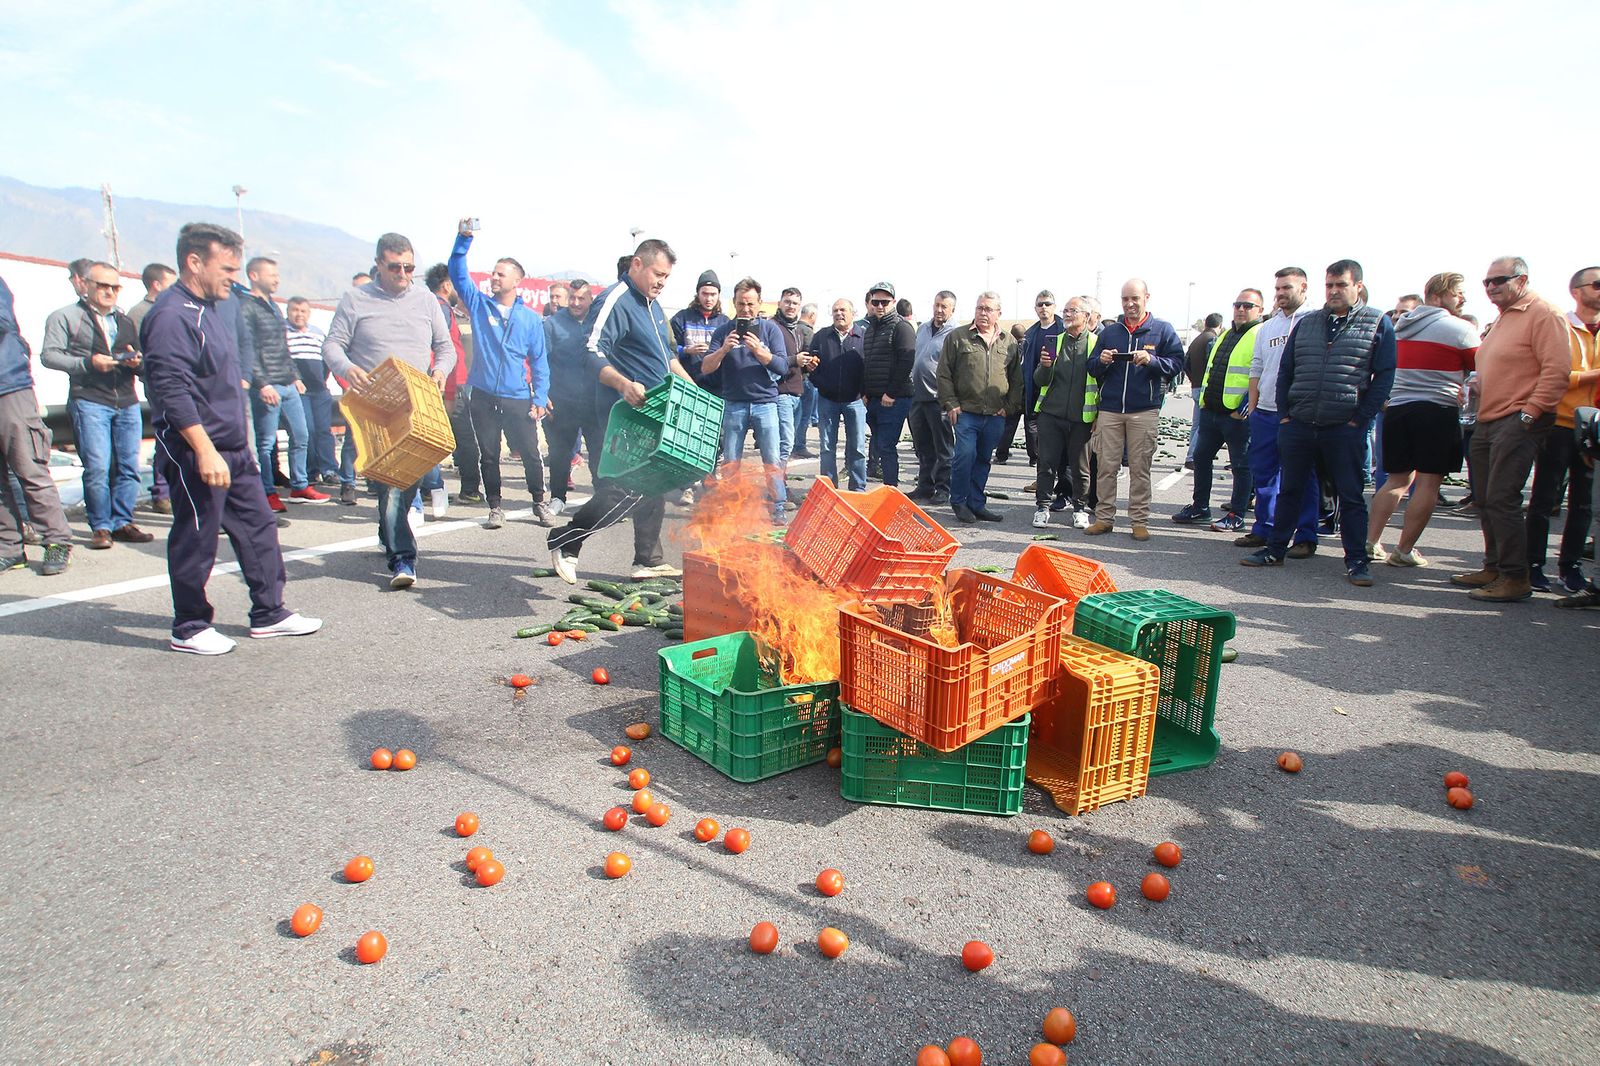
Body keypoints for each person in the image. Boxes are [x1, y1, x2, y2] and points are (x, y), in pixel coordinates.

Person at [140, 223, 321, 654]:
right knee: (197, 535)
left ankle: (269, 612)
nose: (233, 277)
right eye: (226, 268)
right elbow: (171, 390)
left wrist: (239, 448)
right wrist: (204, 450)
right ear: (195, 262)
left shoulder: (216, 309)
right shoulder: (171, 315)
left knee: (259, 527)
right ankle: (189, 625)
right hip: (197, 450)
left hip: (233, 450)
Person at [1242, 259, 1396, 586]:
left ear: (1358, 286)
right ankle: (1275, 549)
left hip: (1344, 426)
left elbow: (1384, 377)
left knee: (1351, 495)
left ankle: (1356, 561)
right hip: (1298, 423)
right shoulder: (1309, 323)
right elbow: (1286, 371)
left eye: (1341, 285)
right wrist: (1285, 413)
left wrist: (1359, 419)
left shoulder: (1377, 322)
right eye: (1330, 285)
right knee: (1290, 490)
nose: (1335, 291)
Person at [547, 239, 689, 584]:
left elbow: (668, 358)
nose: (662, 282)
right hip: (620, 415)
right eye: (658, 274)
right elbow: (591, 352)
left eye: (667, 277)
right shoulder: (615, 299)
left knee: (656, 480)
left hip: (652, 413)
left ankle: (648, 559)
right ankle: (566, 540)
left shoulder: (653, 306)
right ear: (637, 265)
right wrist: (624, 384)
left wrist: (693, 388)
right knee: (625, 487)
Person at [321, 232, 456, 589]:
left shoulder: (427, 301)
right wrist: (347, 368)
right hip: (373, 408)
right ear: (379, 263)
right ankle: (403, 559)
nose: (403, 273)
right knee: (389, 482)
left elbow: (445, 347)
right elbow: (332, 345)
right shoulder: (355, 299)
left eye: (409, 267)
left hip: (415, 405)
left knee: (404, 482)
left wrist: (440, 370)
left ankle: (390, 532)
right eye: (395, 266)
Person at [1448, 259, 1578, 601]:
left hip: (1519, 418)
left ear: (1521, 279)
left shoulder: (1543, 313)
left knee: (1502, 497)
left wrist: (1530, 413)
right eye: (1486, 281)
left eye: (1498, 280)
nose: (1490, 287)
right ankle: (1494, 567)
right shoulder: (1504, 317)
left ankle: (1515, 577)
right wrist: (1476, 385)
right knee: (1485, 498)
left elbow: (1557, 370)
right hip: (1489, 417)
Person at [1365, 273, 1478, 567]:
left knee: (1396, 479)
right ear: (1439, 296)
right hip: (1436, 410)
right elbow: (1482, 368)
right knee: (1428, 482)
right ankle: (1403, 550)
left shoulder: (1398, 327)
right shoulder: (1460, 329)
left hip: (1398, 409)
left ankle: (1371, 541)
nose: (1462, 298)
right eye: (1458, 293)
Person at [447, 221, 554, 531]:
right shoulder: (480, 306)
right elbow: (458, 273)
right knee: (489, 454)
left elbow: (540, 361)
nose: (493, 278)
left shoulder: (530, 320)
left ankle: (539, 502)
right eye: (493, 273)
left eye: (500, 273)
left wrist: (540, 397)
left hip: (518, 397)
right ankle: (495, 507)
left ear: (516, 280)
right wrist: (463, 240)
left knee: (531, 455)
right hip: (482, 395)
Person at [40, 261, 153, 550]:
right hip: (89, 400)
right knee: (98, 468)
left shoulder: (125, 320)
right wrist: (87, 363)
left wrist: (137, 362)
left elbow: (141, 360)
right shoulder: (65, 317)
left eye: (115, 286)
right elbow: (49, 356)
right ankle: (101, 526)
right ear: (86, 285)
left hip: (126, 400)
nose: (109, 291)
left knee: (129, 466)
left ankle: (122, 521)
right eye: (102, 285)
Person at [1084, 279, 1185, 540]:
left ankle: (1139, 520)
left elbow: (1176, 364)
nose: (1129, 304)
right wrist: (1102, 360)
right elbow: (1092, 367)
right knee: (1106, 466)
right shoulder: (1110, 332)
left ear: (1146, 298)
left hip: (1144, 410)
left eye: (1134, 299)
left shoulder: (1162, 330)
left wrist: (1152, 361)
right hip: (1110, 410)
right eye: (1125, 299)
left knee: (1140, 468)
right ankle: (1104, 518)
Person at [1524, 266, 1600, 594]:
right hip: (1558, 423)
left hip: (1594, 431)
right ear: (1576, 291)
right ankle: (1533, 566)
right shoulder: (1562, 326)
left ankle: (1570, 567)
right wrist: (1592, 375)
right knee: (1544, 497)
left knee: (1584, 503)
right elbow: (1553, 374)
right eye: (1597, 284)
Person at [237, 257, 330, 511]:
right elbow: (248, 350)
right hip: (266, 386)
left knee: (301, 435)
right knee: (265, 442)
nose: (277, 279)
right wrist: (262, 384)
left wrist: (295, 376)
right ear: (254, 275)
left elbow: (282, 348)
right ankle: (267, 491)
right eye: (271, 274)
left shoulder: (273, 307)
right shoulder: (246, 307)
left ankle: (299, 485)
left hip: (288, 383)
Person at [1239, 268, 1320, 556]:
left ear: (1303, 287)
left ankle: (1305, 535)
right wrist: (1254, 404)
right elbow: (1256, 368)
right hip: (1265, 412)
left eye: (1286, 287)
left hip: (1300, 414)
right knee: (1264, 475)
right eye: (1277, 289)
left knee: (1302, 476)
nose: (1280, 294)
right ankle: (1264, 528)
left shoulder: (1315, 321)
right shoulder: (1268, 327)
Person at [1172, 290, 1265, 532]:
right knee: (1201, 458)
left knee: (1241, 466)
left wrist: (1244, 409)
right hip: (1212, 412)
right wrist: (1203, 402)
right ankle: (1200, 507)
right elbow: (1213, 370)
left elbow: (1263, 375)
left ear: (1259, 310)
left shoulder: (1260, 334)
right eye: (1238, 305)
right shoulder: (1225, 335)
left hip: (1236, 416)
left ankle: (1237, 513)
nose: (1241, 309)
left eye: (1248, 305)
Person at [0, 274, 73, 576]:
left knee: (29, 468)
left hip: (8, 387)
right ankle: (9, 548)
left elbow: (3, 322)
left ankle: (56, 540)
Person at [702, 278, 789, 523]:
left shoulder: (770, 330)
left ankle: (778, 506)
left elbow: (783, 366)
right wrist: (723, 350)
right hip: (734, 403)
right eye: (741, 304)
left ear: (759, 303)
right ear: (734, 304)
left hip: (765, 403)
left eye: (751, 304)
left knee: (771, 459)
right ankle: (731, 506)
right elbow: (706, 368)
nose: (746, 309)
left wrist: (760, 352)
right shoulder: (723, 331)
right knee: (731, 461)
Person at [938, 291, 1020, 524]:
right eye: (980, 308)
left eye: (988, 309)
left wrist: (1009, 407)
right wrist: (951, 404)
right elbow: (944, 374)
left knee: (984, 458)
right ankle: (960, 501)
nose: (983, 313)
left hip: (995, 414)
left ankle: (977, 503)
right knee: (965, 455)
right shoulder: (958, 337)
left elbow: (1016, 379)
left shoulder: (1009, 341)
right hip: (966, 413)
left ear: (998, 314)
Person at [1031, 295, 1100, 529]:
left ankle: (1080, 509)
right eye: (1066, 311)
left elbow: (1102, 383)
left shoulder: (1095, 344)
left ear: (1086, 316)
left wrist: (1097, 416)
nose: (1067, 315)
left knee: (1081, 467)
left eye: (1073, 311)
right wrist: (1045, 366)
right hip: (1051, 414)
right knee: (1047, 464)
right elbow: (1039, 380)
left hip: (1082, 418)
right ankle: (1042, 507)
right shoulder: (1054, 341)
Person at [422, 263, 482, 506]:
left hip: (445, 382)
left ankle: (431, 487)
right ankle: (467, 489)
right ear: (447, 285)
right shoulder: (439, 308)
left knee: (437, 437)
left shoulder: (436, 307)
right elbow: (439, 347)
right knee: (462, 437)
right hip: (448, 383)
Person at [544, 278, 605, 514]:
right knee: (560, 452)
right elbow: (541, 361)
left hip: (594, 401)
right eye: (572, 298)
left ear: (590, 299)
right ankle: (558, 497)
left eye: (581, 298)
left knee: (599, 452)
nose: (576, 303)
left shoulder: (598, 323)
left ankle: (603, 498)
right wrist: (542, 394)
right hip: (562, 401)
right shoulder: (552, 324)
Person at [807, 298, 868, 492]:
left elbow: (870, 368)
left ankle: (858, 488)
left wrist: (864, 393)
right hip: (827, 400)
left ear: (853, 313)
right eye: (835, 311)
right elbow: (811, 365)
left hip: (855, 401)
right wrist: (821, 385)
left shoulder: (863, 336)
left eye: (843, 310)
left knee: (857, 447)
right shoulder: (821, 336)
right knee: (826, 448)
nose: (839, 314)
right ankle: (829, 489)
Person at [860, 282, 916, 488]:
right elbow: (866, 361)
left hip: (894, 399)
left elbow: (906, 362)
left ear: (893, 302)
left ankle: (891, 491)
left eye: (885, 302)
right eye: (876, 302)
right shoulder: (871, 328)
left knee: (886, 446)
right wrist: (864, 392)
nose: (880, 306)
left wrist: (891, 393)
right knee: (878, 445)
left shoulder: (902, 327)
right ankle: (887, 490)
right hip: (873, 399)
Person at [1001, 291, 1063, 470]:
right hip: (1031, 385)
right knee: (1031, 423)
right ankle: (1034, 458)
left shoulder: (1063, 330)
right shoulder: (1031, 334)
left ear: (1054, 307)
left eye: (1047, 304)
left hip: (1055, 388)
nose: (1044, 307)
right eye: (1040, 304)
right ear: (1035, 308)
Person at [907, 291, 957, 503]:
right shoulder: (923, 328)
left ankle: (943, 488)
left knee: (943, 448)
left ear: (952, 310)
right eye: (937, 305)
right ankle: (924, 486)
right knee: (923, 446)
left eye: (944, 306)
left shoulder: (955, 334)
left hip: (939, 399)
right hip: (918, 397)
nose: (939, 310)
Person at [283, 297, 339, 488]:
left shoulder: (317, 333)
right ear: (288, 312)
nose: (299, 314)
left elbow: (327, 360)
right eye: (295, 310)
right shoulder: (283, 332)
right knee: (307, 430)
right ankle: (310, 471)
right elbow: (282, 359)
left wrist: (323, 381)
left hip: (319, 390)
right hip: (299, 390)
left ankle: (329, 469)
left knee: (324, 430)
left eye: (303, 311)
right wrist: (294, 380)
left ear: (309, 313)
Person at [770, 287, 809, 467]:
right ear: (780, 303)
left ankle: (778, 483)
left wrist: (808, 365)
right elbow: (768, 360)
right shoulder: (771, 326)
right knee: (784, 443)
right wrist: (795, 359)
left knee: (787, 442)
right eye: (787, 302)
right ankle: (777, 486)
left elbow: (799, 363)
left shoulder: (798, 330)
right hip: (780, 392)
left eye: (794, 303)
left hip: (796, 391)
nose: (790, 306)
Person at [1183, 312, 1225, 468]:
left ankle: (1191, 454)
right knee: (1202, 425)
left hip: (1195, 385)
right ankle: (1192, 457)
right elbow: (1214, 364)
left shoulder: (1196, 340)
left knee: (1196, 424)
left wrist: (1193, 378)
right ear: (1219, 326)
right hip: (1205, 388)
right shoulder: (1212, 340)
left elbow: (1185, 363)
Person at [670, 270, 728, 375]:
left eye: (713, 294)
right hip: (688, 380)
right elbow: (668, 348)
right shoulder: (682, 318)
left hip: (717, 383)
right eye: (704, 294)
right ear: (698, 293)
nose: (709, 299)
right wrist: (686, 350)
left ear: (719, 295)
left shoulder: (725, 322)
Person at [793, 301, 819, 457]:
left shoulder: (793, 328)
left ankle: (793, 444)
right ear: (812, 315)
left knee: (795, 415)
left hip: (792, 379)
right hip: (804, 378)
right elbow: (810, 354)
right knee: (804, 415)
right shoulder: (808, 332)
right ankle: (799, 445)